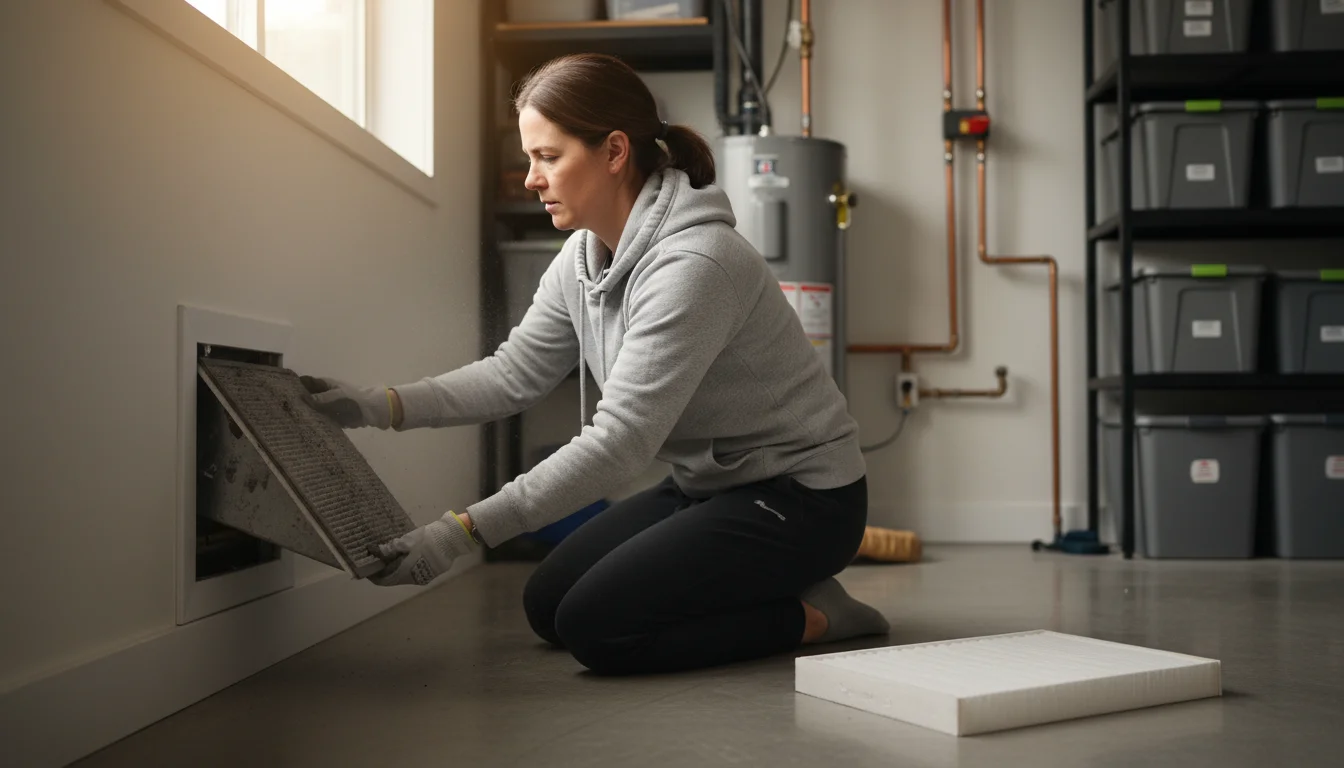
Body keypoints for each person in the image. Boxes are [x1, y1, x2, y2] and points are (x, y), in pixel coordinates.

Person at [302, 53, 892, 676]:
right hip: (708, 487)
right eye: (530, 158)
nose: (531, 178)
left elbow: (619, 444)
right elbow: (514, 373)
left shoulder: (696, 265)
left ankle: (818, 616)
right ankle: (757, 583)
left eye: (548, 157)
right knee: (547, 604)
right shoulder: (583, 257)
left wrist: (458, 533)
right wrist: (377, 405)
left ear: (613, 152)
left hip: (802, 500)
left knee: (598, 628)